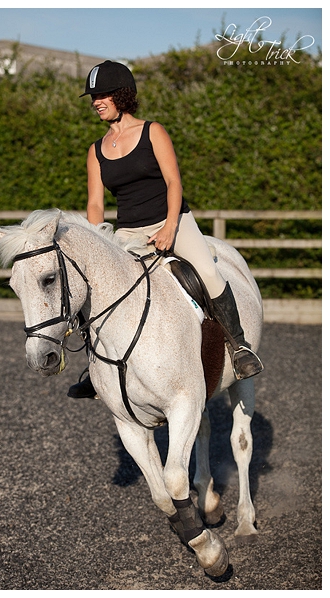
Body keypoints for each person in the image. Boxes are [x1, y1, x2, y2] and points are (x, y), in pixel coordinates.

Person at [68, 60, 263, 399]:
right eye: (93, 97)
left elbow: (174, 182)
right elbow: (96, 204)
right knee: (101, 290)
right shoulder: (95, 151)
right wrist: (97, 239)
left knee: (207, 272)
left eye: (102, 95)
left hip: (173, 219)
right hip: (128, 232)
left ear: (122, 96)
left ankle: (241, 346)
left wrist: (171, 226)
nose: (96, 101)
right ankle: (95, 367)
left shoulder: (152, 131)